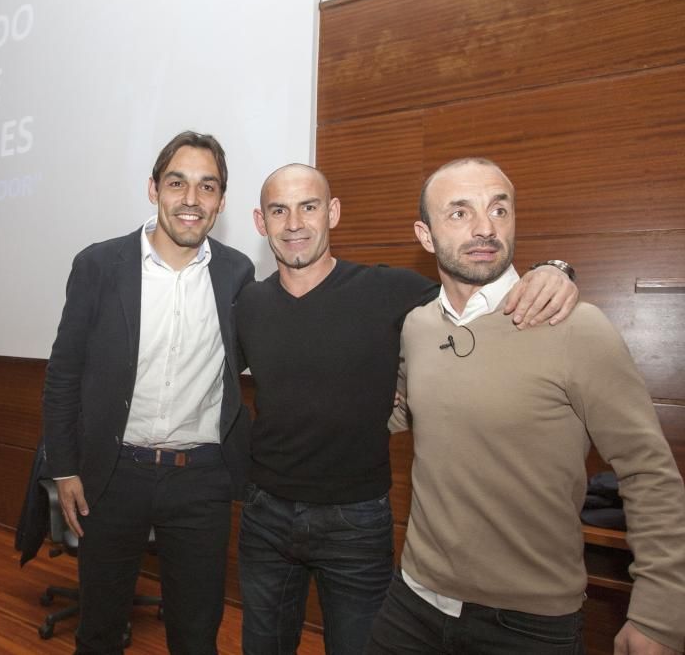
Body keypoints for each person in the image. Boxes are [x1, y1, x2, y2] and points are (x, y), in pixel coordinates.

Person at [234, 163, 579, 654]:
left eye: (309, 207)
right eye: (279, 210)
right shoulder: (248, 305)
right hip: (264, 518)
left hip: (356, 523)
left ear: (331, 213)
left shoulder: (389, 291)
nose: (294, 223)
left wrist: (557, 270)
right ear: (259, 221)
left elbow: (483, 285)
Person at [368, 158, 685, 654]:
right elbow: (406, 409)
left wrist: (662, 613)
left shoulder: (577, 328)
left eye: (499, 209)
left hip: (528, 625)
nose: (484, 228)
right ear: (425, 236)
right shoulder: (418, 326)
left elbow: (648, 471)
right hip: (413, 600)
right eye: (459, 213)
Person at [42, 130, 255, 654]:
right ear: (153, 188)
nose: (191, 199)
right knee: (98, 634)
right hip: (113, 477)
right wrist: (65, 467)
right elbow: (64, 372)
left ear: (221, 202)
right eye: (177, 183)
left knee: (196, 637)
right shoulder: (99, 265)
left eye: (207, 187)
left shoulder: (237, 273)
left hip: (200, 481)